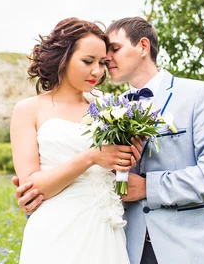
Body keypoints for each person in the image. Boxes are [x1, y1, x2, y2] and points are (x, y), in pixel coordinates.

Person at [15, 17, 204, 264]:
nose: (105, 62)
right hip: (124, 243)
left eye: (113, 50)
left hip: (185, 247)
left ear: (143, 46)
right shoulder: (111, 107)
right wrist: (35, 196)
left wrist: (146, 187)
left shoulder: (197, 94)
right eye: (95, 58)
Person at [11, 17, 143, 264]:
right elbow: (32, 187)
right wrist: (92, 156)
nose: (97, 71)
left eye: (102, 63)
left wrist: (128, 157)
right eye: (87, 61)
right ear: (62, 58)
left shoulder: (107, 108)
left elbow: (118, 171)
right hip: (55, 230)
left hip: (105, 229)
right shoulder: (28, 110)